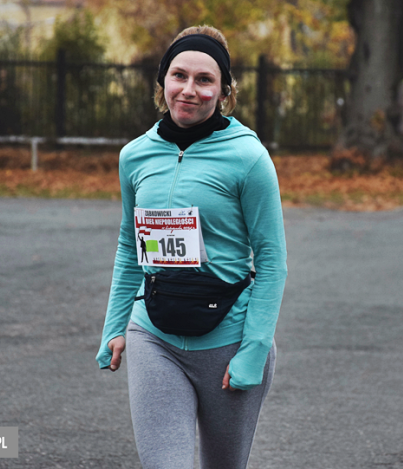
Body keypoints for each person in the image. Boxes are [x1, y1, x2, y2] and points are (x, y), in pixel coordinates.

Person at [96, 25, 288, 469]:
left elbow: (273, 260)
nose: (189, 89)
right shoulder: (135, 156)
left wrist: (254, 349)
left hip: (229, 341)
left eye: (205, 80)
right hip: (155, 335)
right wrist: (114, 327)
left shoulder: (248, 158)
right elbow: (130, 246)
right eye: (179, 75)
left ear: (223, 92)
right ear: (163, 81)